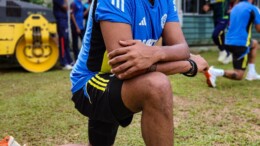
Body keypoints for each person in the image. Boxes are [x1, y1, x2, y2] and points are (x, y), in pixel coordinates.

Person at [70, 0, 208, 145]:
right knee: (157, 86)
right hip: (91, 82)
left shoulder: (166, 2)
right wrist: (188, 66)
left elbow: (182, 48)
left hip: (117, 79)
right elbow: (125, 68)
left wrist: (155, 53)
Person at [205, 0, 260, 88]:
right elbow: (258, 29)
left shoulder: (235, 8)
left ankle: (252, 73)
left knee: (254, 44)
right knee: (239, 75)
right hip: (241, 44)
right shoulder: (253, 8)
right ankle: (214, 72)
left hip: (228, 42)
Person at [203, 0, 232, 64]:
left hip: (224, 17)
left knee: (215, 35)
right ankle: (228, 55)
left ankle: (223, 51)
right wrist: (208, 7)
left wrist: (234, 8)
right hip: (216, 18)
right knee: (221, 37)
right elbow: (211, 5)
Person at [53, 0, 73, 70]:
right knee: (62, 41)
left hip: (64, 20)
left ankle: (69, 61)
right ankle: (64, 63)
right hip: (60, 20)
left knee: (66, 41)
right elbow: (65, 7)